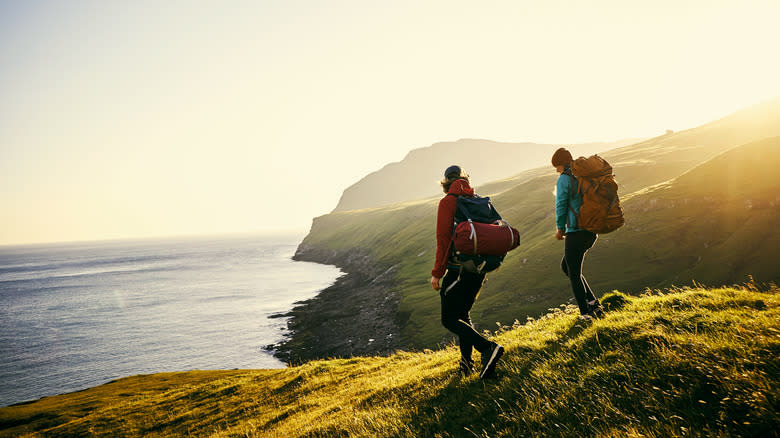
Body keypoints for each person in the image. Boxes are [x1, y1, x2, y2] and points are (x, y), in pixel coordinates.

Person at [430, 165, 504, 378]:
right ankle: (466, 365)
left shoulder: (448, 202)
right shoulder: (478, 199)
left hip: (458, 270)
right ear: (465, 180)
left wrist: (437, 273)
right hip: (479, 268)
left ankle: (487, 348)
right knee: (462, 314)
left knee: (448, 319)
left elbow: (443, 240)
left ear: (445, 183)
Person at [551, 148, 605, 319]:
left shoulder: (565, 179)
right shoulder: (583, 176)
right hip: (591, 230)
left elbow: (561, 205)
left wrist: (560, 228)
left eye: (556, 166)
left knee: (573, 272)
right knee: (567, 267)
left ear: (561, 164)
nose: (556, 170)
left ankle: (586, 314)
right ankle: (593, 303)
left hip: (576, 231)